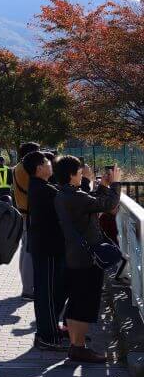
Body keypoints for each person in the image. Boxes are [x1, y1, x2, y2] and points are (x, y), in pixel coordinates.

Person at [53, 155, 121, 363]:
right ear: (71, 175)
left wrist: (103, 186)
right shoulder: (75, 197)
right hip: (87, 258)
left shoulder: (63, 194)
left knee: (76, 301)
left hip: (74, 255)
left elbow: (91, 203)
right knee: (84, 304)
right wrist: (116, 183)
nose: (82, 175)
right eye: (80, 172)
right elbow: (109, 204)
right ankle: (79, 348)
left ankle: (76, 346)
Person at [24, 150, 67, 350]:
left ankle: (49, 329)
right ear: (39, 168)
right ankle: (47, 336)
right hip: (47, 248)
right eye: (47, 162)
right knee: (47, 294)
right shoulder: (43, 189)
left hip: (45, 247)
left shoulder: (39, 186)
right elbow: (68, 199)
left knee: (50, 291)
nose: (51, 163)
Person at [12, 142, 40, 299]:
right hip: (29, 213)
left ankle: (27, 285)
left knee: (25, 250)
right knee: (29, 251)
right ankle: (28, 289)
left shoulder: (18, 167)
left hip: (24, 213)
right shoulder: (25, 169)